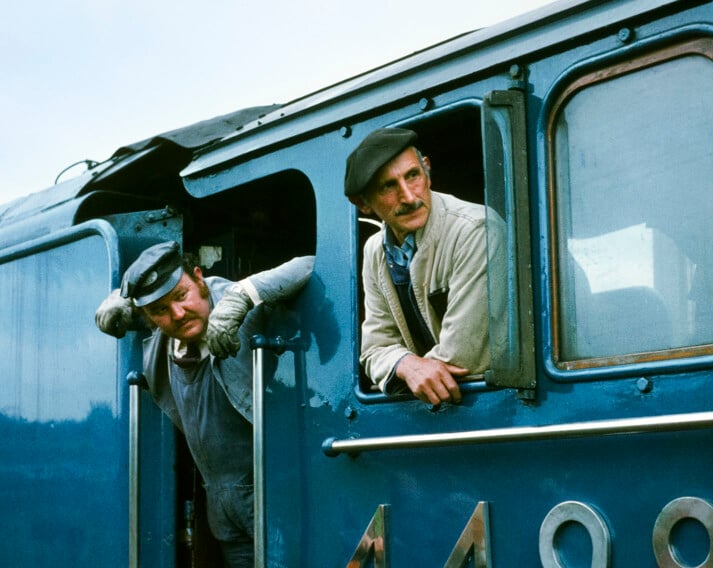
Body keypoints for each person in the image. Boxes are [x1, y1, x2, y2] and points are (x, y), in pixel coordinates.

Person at [94, 241, 313, 568]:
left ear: (199, 278)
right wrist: (120, 301)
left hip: (272, 496)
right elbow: (151, 312)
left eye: (181, 296)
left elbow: (308, 264)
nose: (178, 314)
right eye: (159, 310)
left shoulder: (237, 305)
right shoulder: (163, 331)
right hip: (221, 506)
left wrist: (241, 298)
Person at [345, 127, 494, 406]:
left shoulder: (474, 230)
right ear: (363, 204)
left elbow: (461, 362)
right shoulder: (375, 250)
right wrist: (407, 365)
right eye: (388, 186)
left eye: (412, 176)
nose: (409, 197)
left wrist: (399, 366)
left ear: (426, 170)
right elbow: (374, 348)